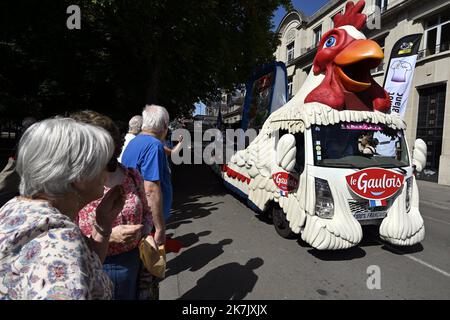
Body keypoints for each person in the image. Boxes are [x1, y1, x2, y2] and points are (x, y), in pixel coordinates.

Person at [0, 118, 125, 299]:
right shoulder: (60, 243)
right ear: (79, 176)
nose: (109, 171)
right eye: (107, 164)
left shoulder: (14, 209)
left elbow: (87, 267)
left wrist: (103, 225)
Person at [70, 110, 153, 300]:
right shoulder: (75, 184)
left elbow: (147, 212)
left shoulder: (132, 175)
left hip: (133, 260)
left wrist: (147, 235)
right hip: (95, 264)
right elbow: (67, 234)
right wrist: (109, 236)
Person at [122, 105, 171, 246]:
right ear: (164, 125)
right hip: (147, 218)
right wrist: (160, 228)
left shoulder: (134, 142)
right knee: (150, 262)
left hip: (136, 212)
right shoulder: (154, 146)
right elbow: (151, 190)